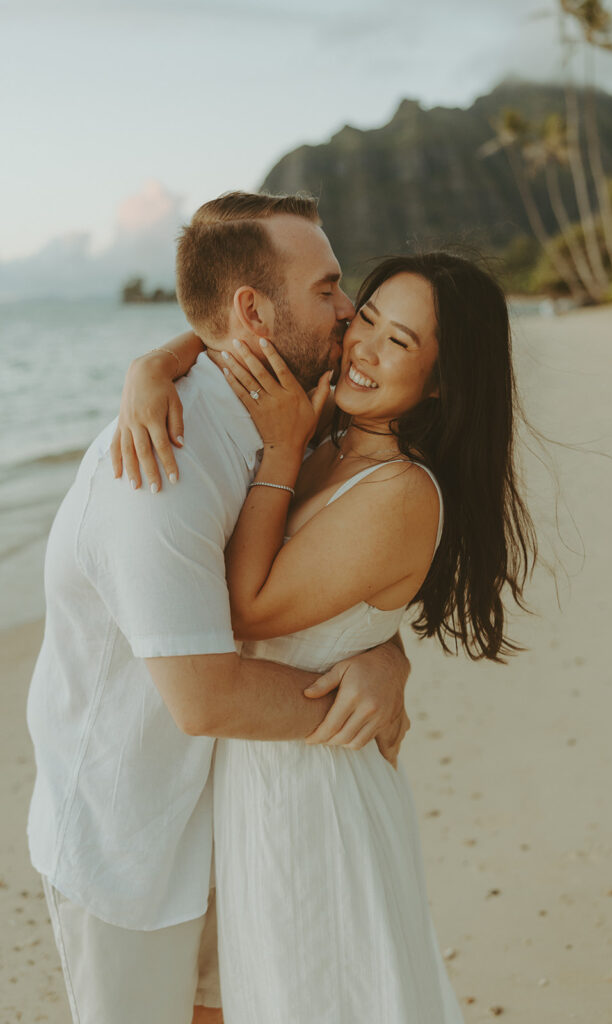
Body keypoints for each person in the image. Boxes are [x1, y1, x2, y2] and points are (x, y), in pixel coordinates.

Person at [114, 243, 539, 1021]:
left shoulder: (400, 490)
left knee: (310, 994)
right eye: (366, 319)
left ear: (442, 380)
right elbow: (223, 333)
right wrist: (150, 368)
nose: (364, 349)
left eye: (400, 342)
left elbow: (246, 607)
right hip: (251, 777)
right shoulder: (328, 433)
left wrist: (278, 446)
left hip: (312, 800)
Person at [26, 192, 413, 1024]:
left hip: (230, 812)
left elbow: (320, 581)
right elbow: (205, 697)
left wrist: (386, 652)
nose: (347, 314)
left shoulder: (287, 424)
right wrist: (357, 704)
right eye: (328, 289)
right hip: (128, 841)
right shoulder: (156, 466)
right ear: (251, 311)